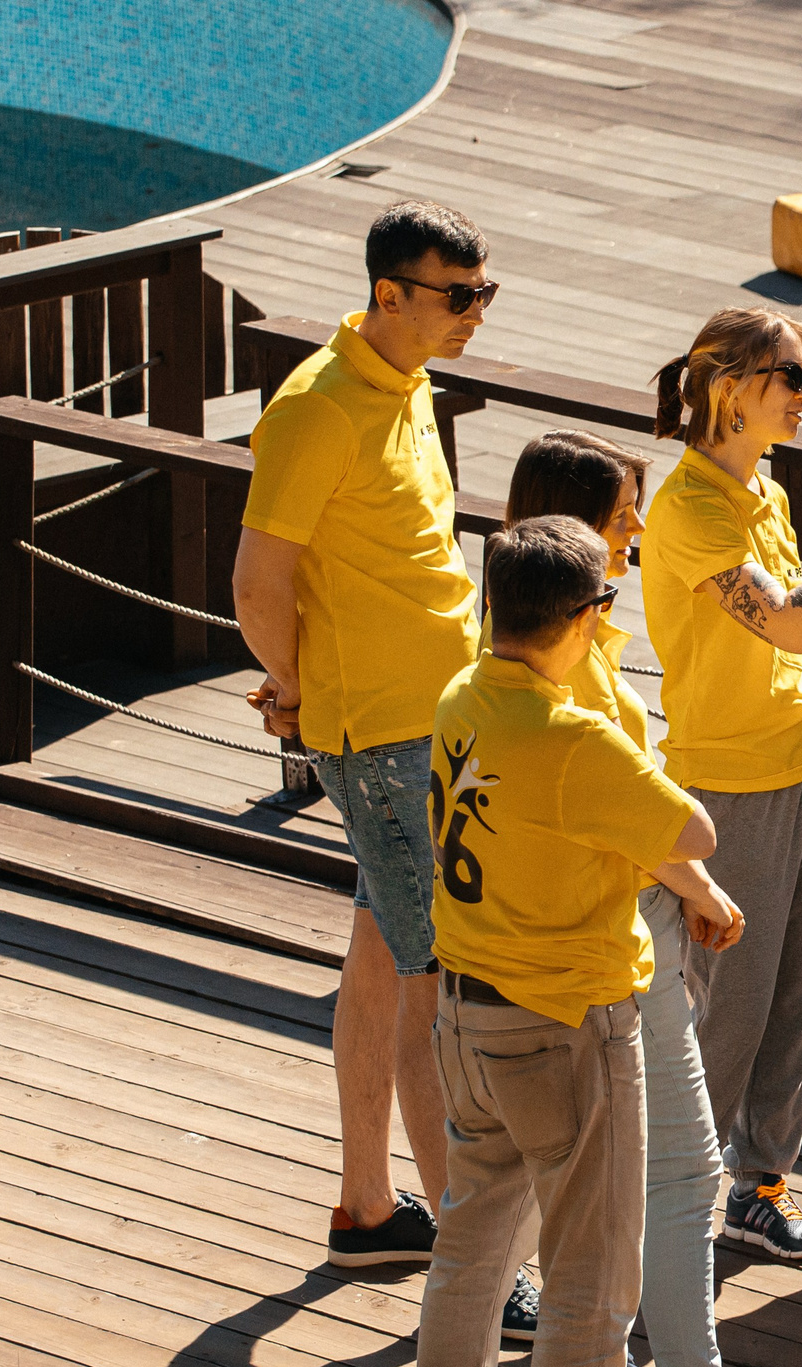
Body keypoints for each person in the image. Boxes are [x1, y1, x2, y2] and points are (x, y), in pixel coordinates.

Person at [411, 514, 725, 1367]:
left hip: (465, 1016)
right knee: (593, 1283)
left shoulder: (465, 698)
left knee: (470, 1253)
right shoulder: (576, 740)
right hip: (567, 1028)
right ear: (589, 618)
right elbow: (690, 831)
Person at [496, 432, 802, 1367]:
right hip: (618, 949)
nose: (640, 530)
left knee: (564, 1186)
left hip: (543, 952)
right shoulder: (574, 670)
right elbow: (649, 815)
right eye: (626, 516)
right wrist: (697, 878)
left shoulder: (498, 657)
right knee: (682, 1173)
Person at [234, 201, 501, 1288]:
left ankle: (366, 1206)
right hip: (381, 739)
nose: (475, 315)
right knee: (436, 980)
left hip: (431, 724)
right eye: (457, 296)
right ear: (389, 294)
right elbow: (258, 582)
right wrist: (295, 688)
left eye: (485, 294)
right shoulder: (318, 411)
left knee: (384, 961)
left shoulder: (404, 379)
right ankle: (475, 1257)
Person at [640, 308, 802, 1264]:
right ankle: (681, 1193)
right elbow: (791, 626)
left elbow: (793, 639)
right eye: (789, 377)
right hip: (734, 783)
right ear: (728, 385)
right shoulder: (692, 508)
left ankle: (762, 1184)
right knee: (731, 1004)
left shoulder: (767, 490)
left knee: (799, 990)